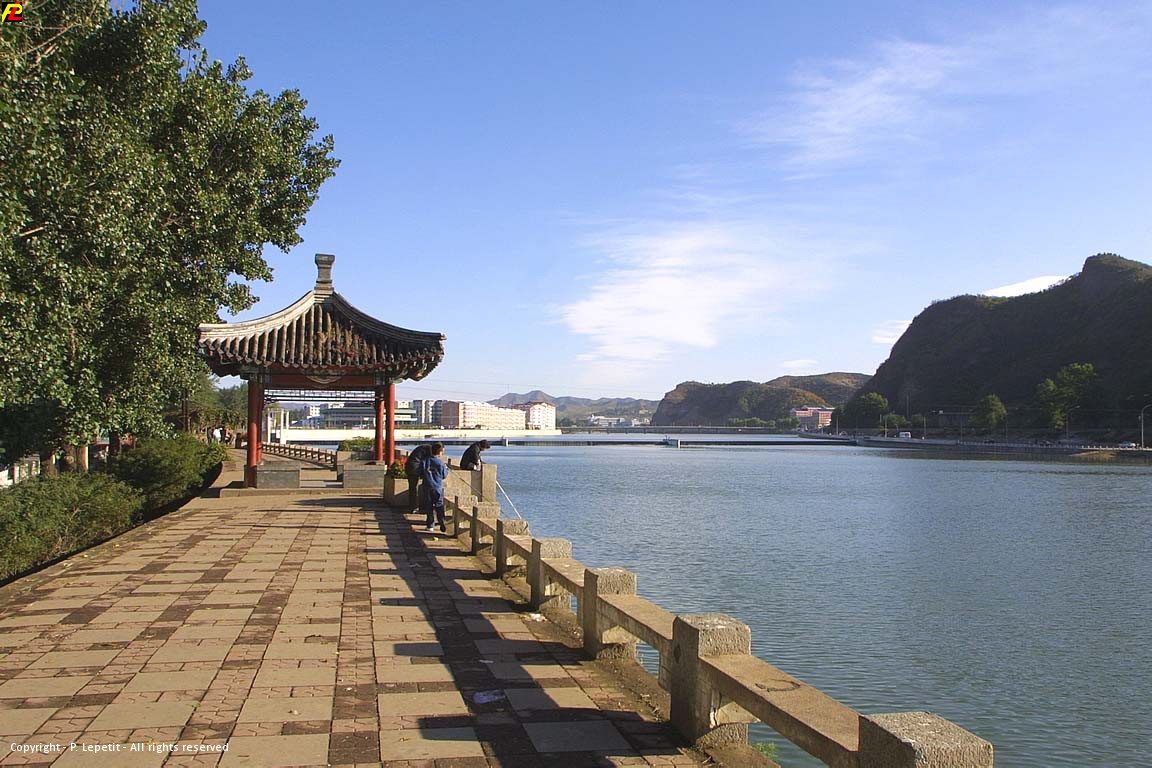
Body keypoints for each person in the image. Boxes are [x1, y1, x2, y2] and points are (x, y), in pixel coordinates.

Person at [421, 443, 449, 533]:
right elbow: (444, 475)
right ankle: (441, 520)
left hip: (427, 486)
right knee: (439, 504)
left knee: (428, 506)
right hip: (437, 487)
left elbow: (421, 473)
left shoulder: (424, 461)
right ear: (440, 452)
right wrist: (446, 469)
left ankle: (430, 525)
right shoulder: (440, 463)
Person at [404, 444, 433, 514]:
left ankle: (413, 507)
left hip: (410, 467)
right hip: (415, 468)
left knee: (412, 489)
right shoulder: (430, 450)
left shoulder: (423, 448)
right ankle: (416, 507)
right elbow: (429, 462)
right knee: (415, 489)